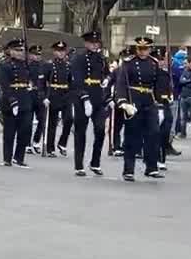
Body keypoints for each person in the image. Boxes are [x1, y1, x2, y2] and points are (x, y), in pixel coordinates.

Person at [113, 37, 166, 182]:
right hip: (134, 101)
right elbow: (122, 83)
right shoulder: (128, 63)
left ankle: (151, 167)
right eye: (140, 49)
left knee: (153, 134)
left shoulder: (154, 63)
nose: (143, 52)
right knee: (132, 136)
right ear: (136, 49)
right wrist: (123, 102)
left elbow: (158, 85)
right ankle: (128, 170)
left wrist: (161, 104)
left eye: (146, 49)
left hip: (149, 101)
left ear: (150, 49)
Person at [69, 31, 107, 177]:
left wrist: (107, 81)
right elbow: (76, 80)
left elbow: (106, 73)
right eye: (92, 42)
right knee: (80, 132)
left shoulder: (101, 58)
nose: (94, 45)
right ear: (86, 43)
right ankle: (79, 165)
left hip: (97, 97)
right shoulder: (78, 58)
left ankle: (95, 162)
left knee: (100, 129)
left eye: (96, 42)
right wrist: (84, 98)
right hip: (82, 98)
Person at [0, 38, 33, 168]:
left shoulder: (26, 64)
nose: (20, 52)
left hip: (25, 100)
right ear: (10, 51)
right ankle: (7, 158)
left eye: (21, 50)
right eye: (17, 50)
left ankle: (19, 157)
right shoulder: (4, 65)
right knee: (10, 131)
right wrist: (12, 100)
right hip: (10, 100)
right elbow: (4, 85)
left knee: (26, 129)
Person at [26, 44, 48, 154]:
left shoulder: (43, 66)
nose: (37, 56)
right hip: (29, 95)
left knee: (42, 120)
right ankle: (27, 144)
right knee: (28, 121)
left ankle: (36, 140)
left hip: (40, 95)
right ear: (30, 55)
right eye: (35, 54)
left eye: (39, 54)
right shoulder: (26, 65)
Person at [176, 58, 191, 138]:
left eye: (186, 63)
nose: (185, 65)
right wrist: (190, 81)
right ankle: (183, 134)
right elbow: (181, 81)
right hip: (183, 96)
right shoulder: (185, 71)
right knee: (183, 117)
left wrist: (186, 81)